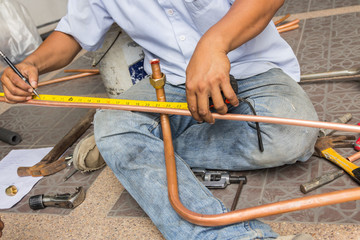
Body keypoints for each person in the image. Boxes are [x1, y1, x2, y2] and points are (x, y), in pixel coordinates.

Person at [0, 1, 318, 239]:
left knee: (291, 134)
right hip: (171, 82)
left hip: (252, 68)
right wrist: (32, 63)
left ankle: (135, 145)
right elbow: (72, 33)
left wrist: (214, 45)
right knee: (112, 124)